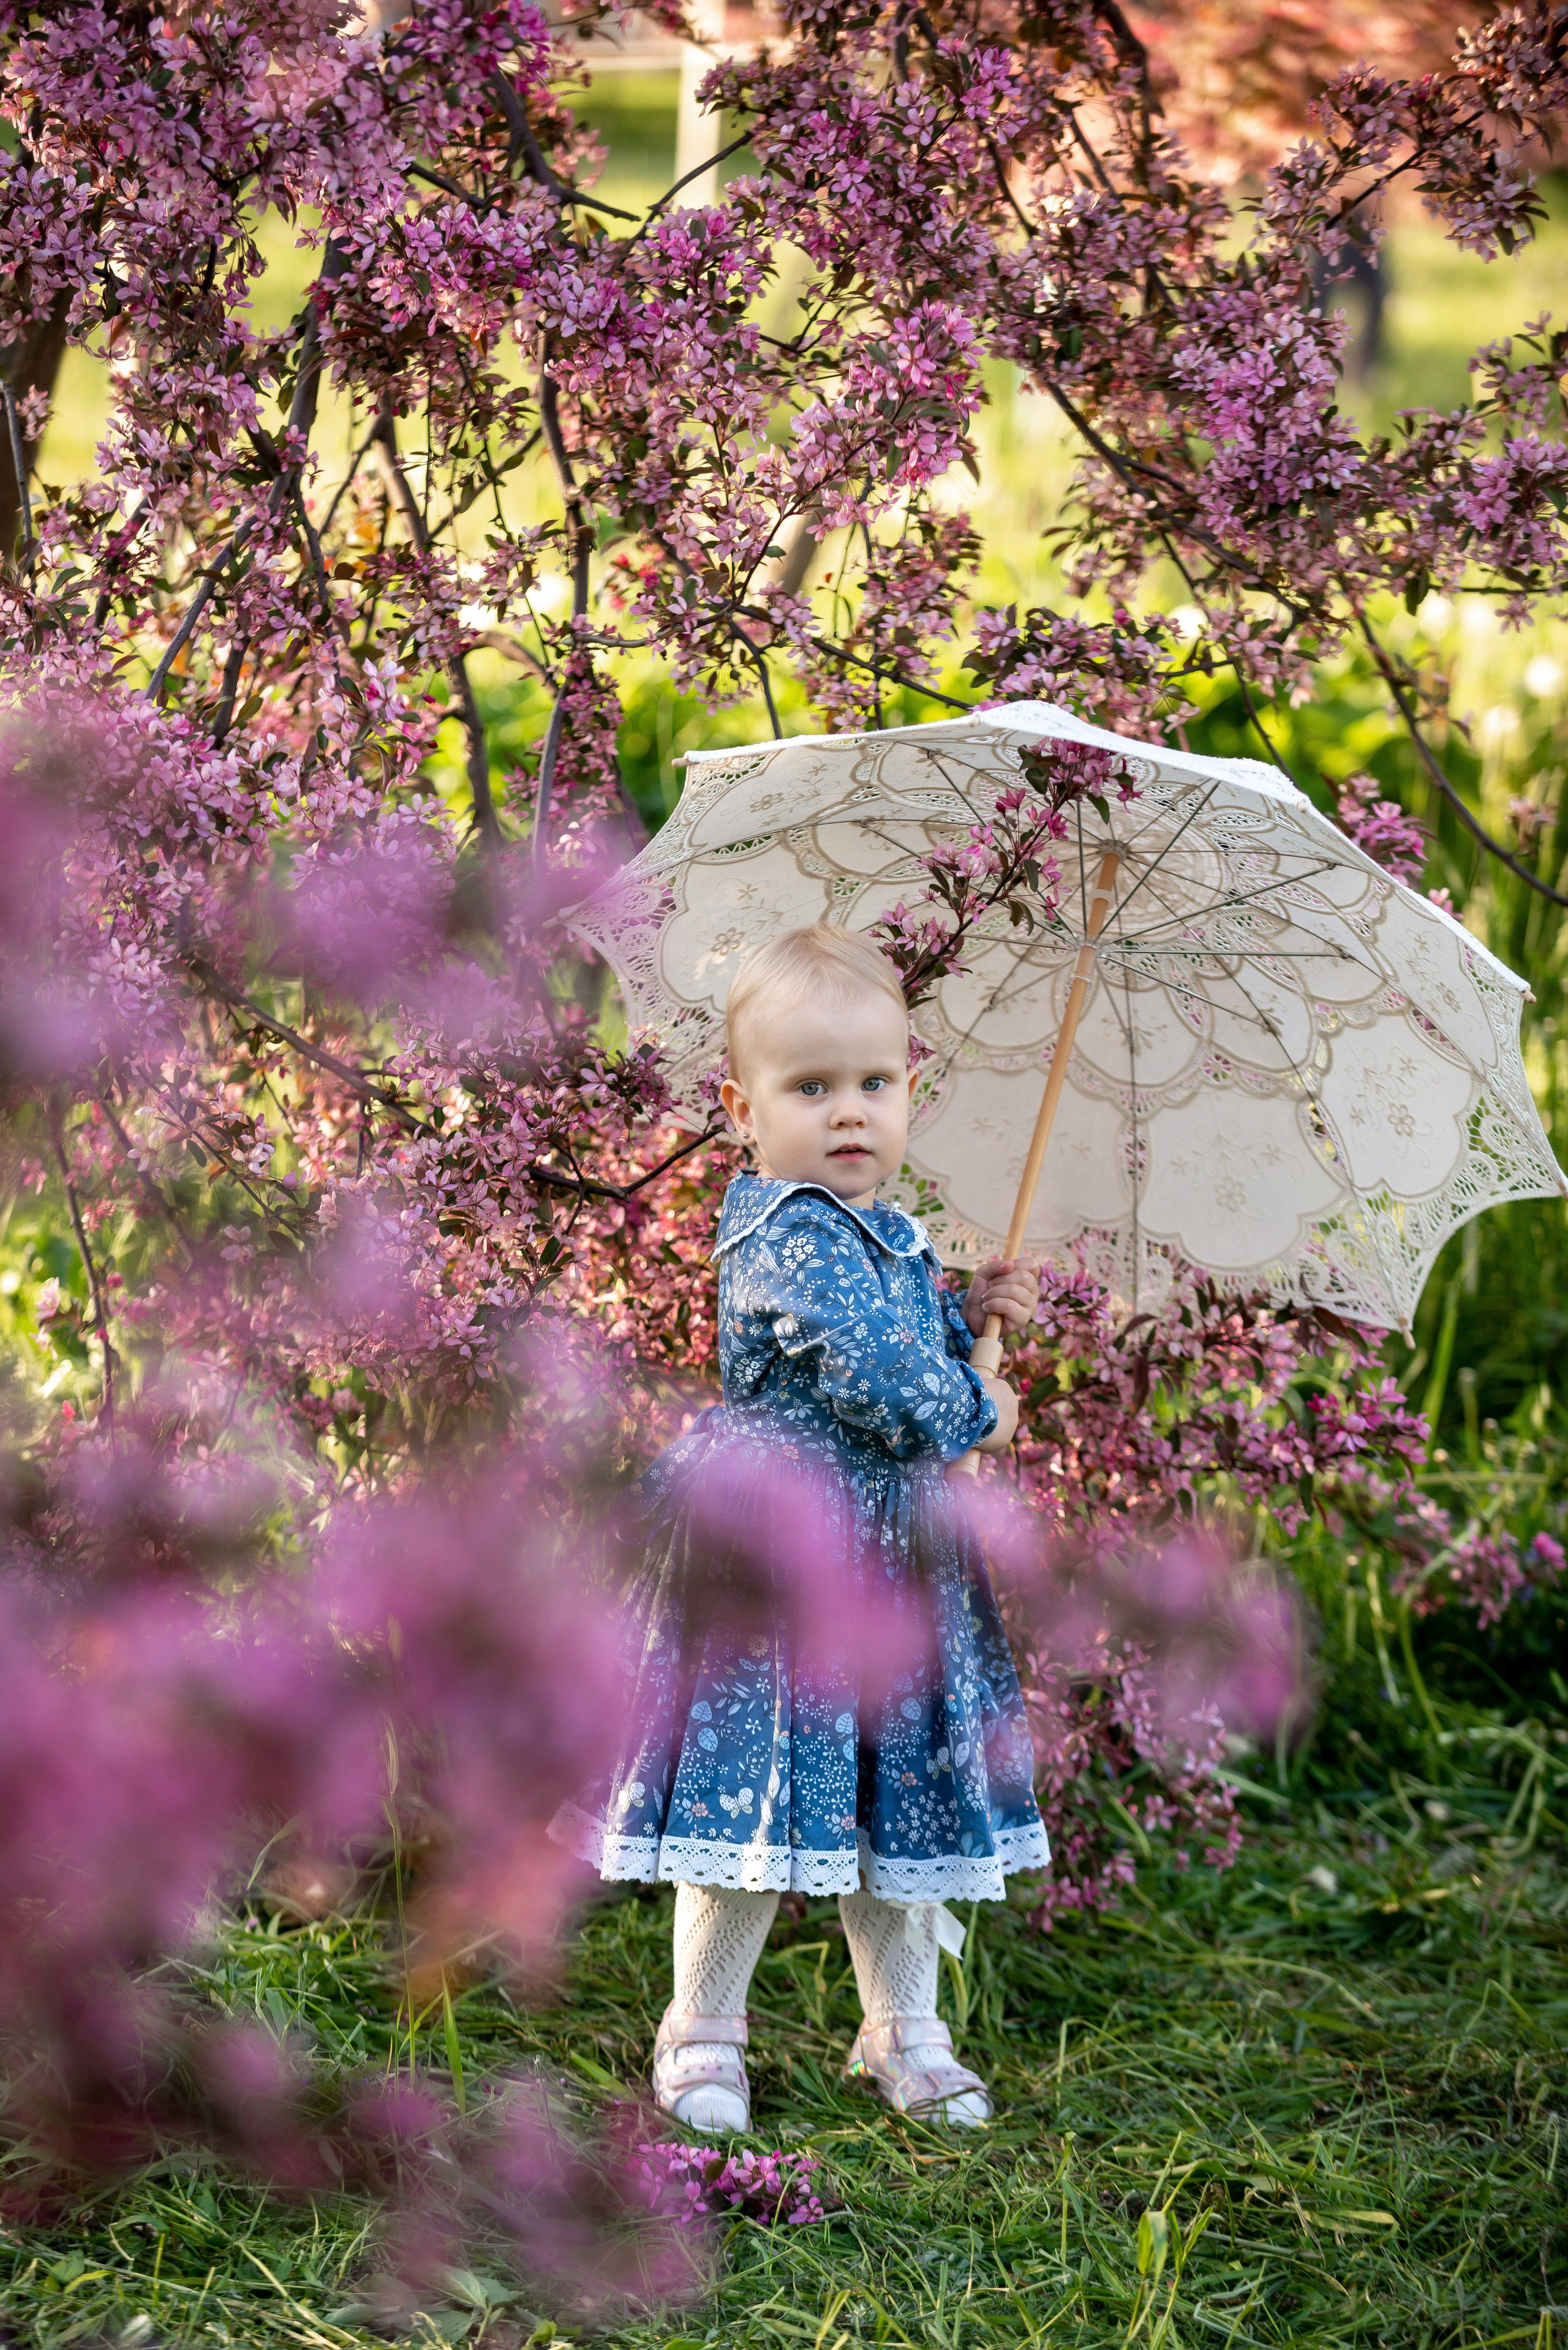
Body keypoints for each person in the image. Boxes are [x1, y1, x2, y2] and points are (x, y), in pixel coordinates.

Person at [550, 925, 1047, 2131]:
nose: (849, 1111)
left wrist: (969, 1312)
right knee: (752, 1794)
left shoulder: (886, 1230)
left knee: (900, 1791)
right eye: (811, 1086)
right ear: (743, 1108)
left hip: (896, 1564)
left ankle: (903, 2028)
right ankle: (702, 2027)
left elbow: (910, 1337)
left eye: (874, 1082)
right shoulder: (780, 1230)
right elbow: (875, 1374)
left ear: (908, 1088)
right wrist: (979, 1407)